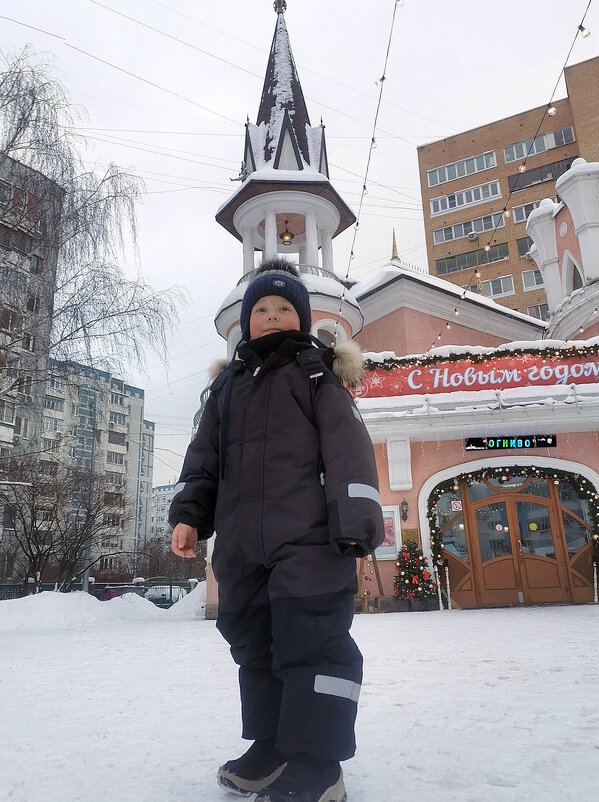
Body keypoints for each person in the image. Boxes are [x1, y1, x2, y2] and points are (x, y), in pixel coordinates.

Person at [169, 257, 384, 802]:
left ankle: (318, 765)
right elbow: (203, 461)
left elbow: (349, 452)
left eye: (284, 308)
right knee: (255, 648)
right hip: (242, 550)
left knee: (312, 645)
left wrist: (357, 521)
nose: (271, 316)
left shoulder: (318, 377)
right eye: (260, 309)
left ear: (303, 319)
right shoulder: (226, 391)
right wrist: (190, 514)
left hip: (308, 544)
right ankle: (271, 745)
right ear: (245, 322)